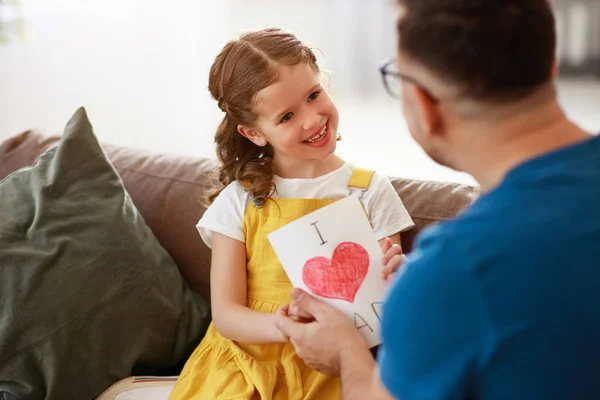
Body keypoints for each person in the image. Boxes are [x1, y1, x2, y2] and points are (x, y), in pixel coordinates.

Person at [275, 1, 600, 399]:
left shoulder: (453, 270)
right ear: (550, 65)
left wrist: (345, 351)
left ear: (424, 106)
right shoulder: (450, 276)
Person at [167, 28, 415, 400]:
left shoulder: (369, 191)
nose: (313, 120)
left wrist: (398, 278)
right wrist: (286, 328)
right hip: (241, 367)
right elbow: (227, 314)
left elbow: (381, 313)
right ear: (254, 133)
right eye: (286, 116)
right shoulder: (242, 200)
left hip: (331, 369)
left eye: (314, 95)